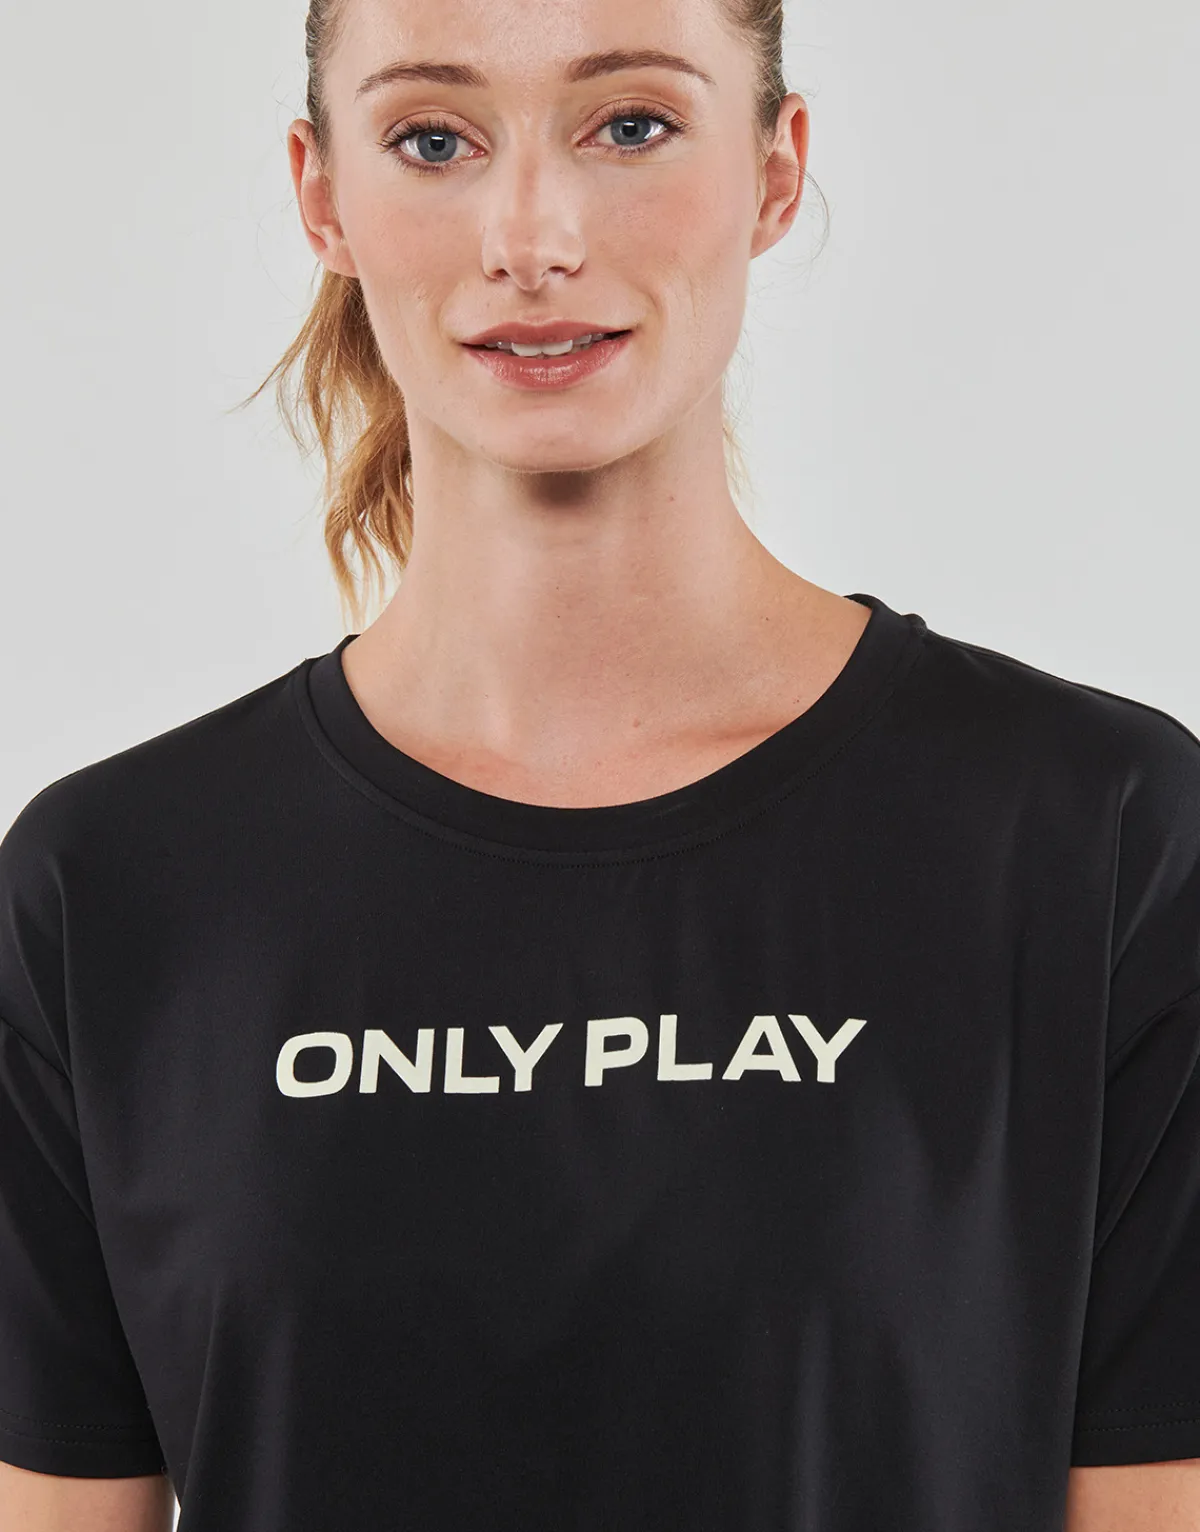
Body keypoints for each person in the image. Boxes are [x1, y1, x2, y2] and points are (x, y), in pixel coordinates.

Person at [1, 0, 1198, 1528]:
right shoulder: (114, 891)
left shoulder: (1096, 839)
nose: (533, 236)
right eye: (433, 139)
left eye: (631, 125)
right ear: (323, 195)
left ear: (776, 169)